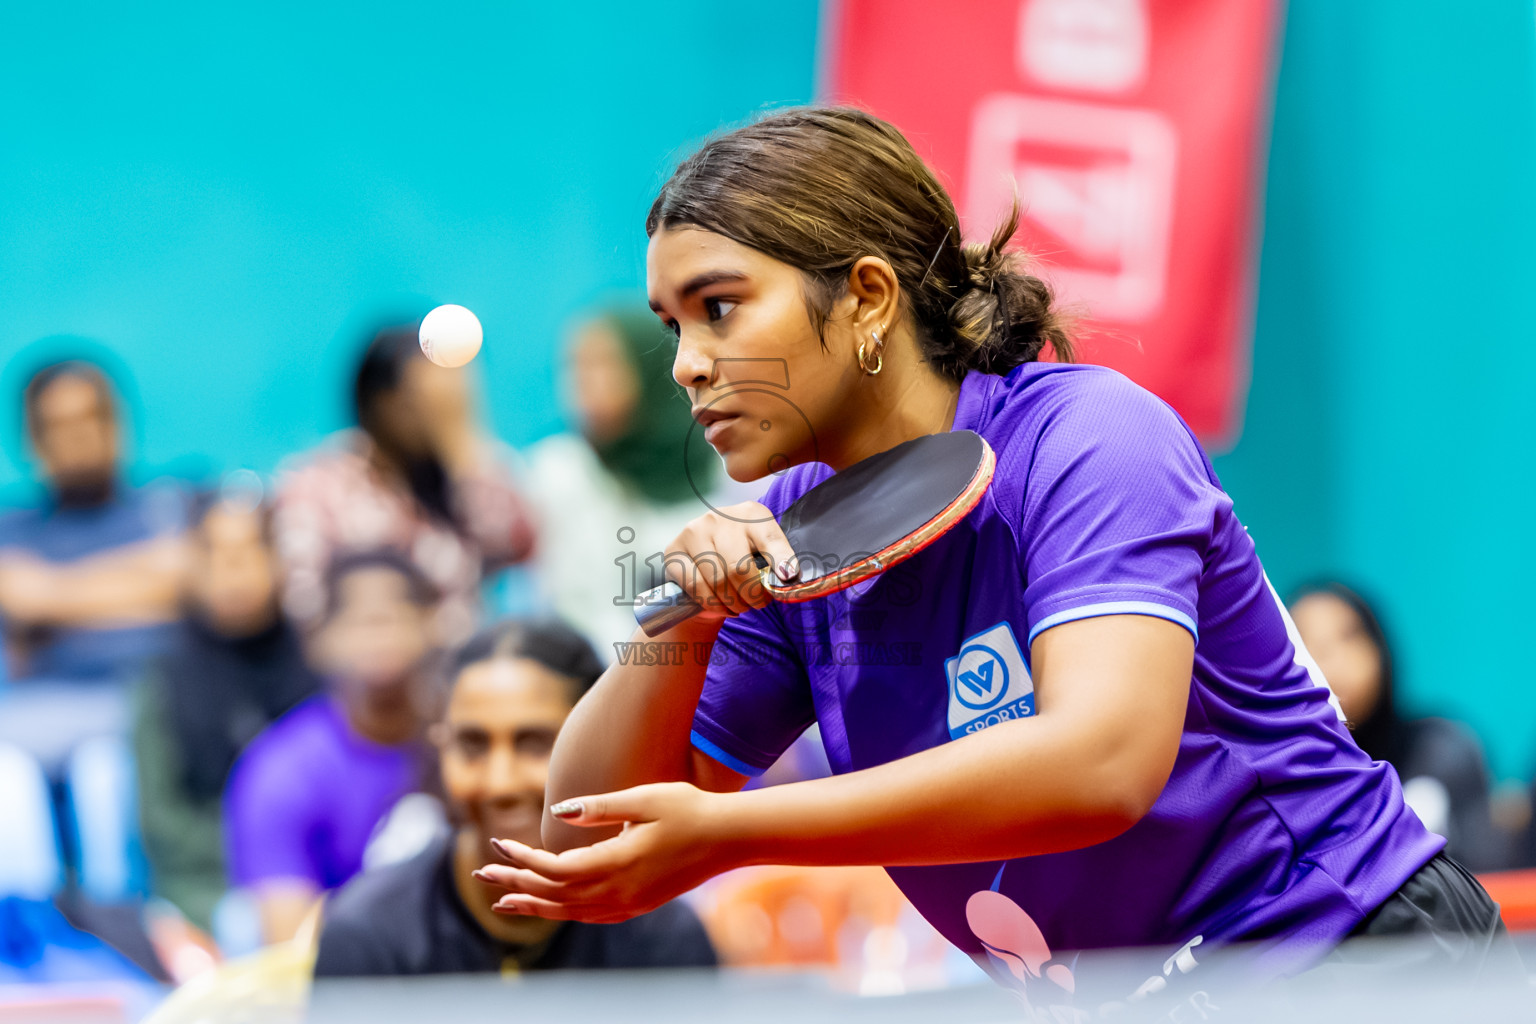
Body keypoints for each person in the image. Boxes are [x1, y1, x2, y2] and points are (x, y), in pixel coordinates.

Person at [473, 108, 1515, 1006]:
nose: (687, 365)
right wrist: (682, 623)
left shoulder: (1089, 439)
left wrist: (737, 831)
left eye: (719, 306)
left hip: (1345, 954)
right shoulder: (782, 536)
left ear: (868, 296)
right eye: (671, 327)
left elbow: (1102, 762)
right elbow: (579, 839)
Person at [314, 618, 716, 976]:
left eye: (535, 743)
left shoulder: (662, 940)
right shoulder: (368, 936)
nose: (501, 783)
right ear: (441, 749)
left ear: (603, 744)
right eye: (473, 744)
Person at [223, 550, 439, 945]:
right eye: (358, 619)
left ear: (433, 625)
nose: (379, 632)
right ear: (320, 640)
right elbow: (290, 943)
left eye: (396, 612)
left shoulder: (466, 747)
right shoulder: (280, 768)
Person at [132, 486, 322, 932]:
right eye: (215, 555)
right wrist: (270, 848)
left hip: (314, 876)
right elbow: (164, 824)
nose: (233, 572)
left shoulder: (317, 671)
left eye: (249, 551)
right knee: (250, 925)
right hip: (208, 887)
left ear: (280, 561)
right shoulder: (164, 682)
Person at [273, 325, 535, 647]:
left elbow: (517, 547)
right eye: (427, 396)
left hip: (461, 665)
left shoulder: (468, 472)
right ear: (384, 401)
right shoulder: (321, 485)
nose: (440, 411)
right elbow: (303, 603)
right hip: (361, 668)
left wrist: (463, 450)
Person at [0, 360, 187, 768]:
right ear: (33, 440)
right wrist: (151, 581)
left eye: (92, 417)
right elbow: (22, 598)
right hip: (48, 708)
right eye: (61, 425)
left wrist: (55, 593)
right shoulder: (11, 528)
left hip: (162, 699)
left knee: (104, 764)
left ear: (117, 423)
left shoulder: (170, 506)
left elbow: (194, 574)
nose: (80, 435)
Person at [526, 306, 727, 656]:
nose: (583, 381)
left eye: (604, 363)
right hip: (595, 670)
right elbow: (575, 607)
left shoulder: (719, 465)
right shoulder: (562, 470)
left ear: (652, 367)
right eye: (574, 365)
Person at [1289, 583, 1506, 871]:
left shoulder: (1442, 751)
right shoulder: (1281, 780)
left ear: (1380, 648)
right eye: (1306, 644)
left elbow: (1488, 878)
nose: (1330, 660)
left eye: (1348, 636)